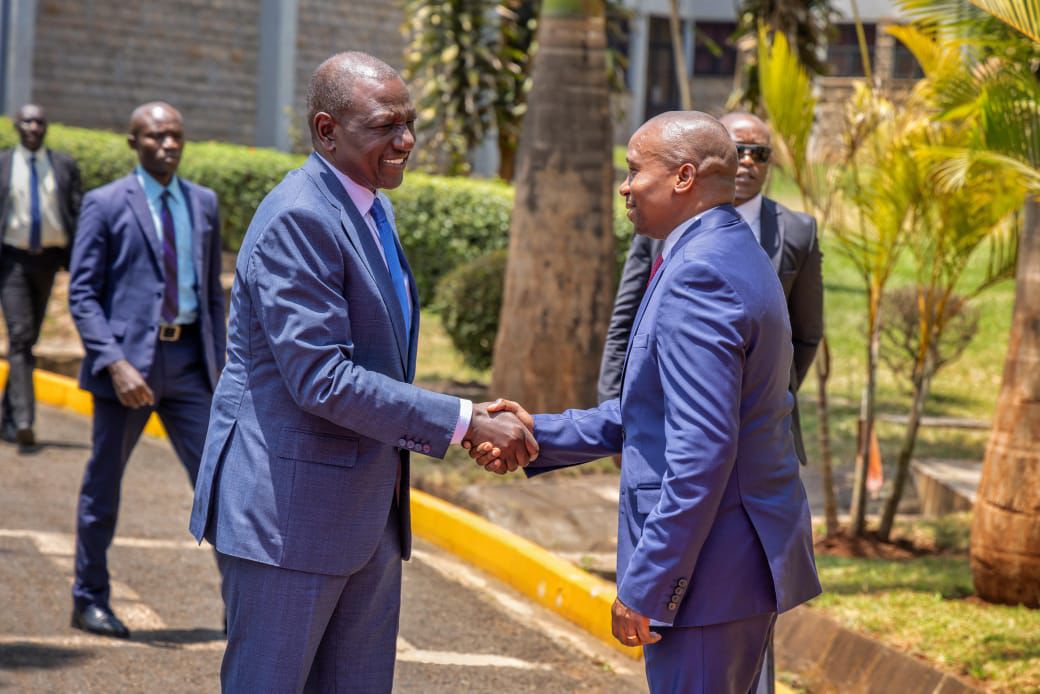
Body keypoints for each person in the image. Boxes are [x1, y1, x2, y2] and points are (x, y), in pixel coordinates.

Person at [188, 52, 535, 693]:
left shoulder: (371, 206)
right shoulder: (301, 217)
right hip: (289, 520)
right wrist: (464, 421)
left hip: (365, 515)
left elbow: (378, 360)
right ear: (327, 131)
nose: (404, 140)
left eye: (409, 122)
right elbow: (322, 377)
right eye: (384, 125)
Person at [471, 112, 821, 693]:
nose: (625, 185)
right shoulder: (722, 247)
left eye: (635, 171)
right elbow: (649, 412)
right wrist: (539, 433)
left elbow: (701, 453)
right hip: (730, 564)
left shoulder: (699, 273)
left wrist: (646, 585)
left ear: (684, 177)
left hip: (710, 572)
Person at [67, 102, 226, 639]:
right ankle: (88, 598)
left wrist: (224, 368)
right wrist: (113, 362)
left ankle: (245, 606)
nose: (169, 145)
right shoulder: (105, 203)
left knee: (223, 485)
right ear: (133, 142)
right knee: (103, 487)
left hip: (190, 367)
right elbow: (83, 294)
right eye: (156, 136)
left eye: (176, 136)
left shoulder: (203, 204)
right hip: (128, 371)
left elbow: (212, 298)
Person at [598, 111, 823, 466]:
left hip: (760, 439)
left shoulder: (798, 232)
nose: (748, 161)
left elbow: (805, 334)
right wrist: (615, 417)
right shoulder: (660, 225)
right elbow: (626, 324)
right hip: (666, 425)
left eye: (759, 154)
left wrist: (765, 389)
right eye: (739, 150)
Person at [0, 104, 82, 451]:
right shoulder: (3, 164)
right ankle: (24, 421)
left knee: (27, 340)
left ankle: (7, 416)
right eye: (27, 121)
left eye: (40, 122)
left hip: (48, 261)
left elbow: (76, 211)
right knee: (20, 335)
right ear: (17, 125)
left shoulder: (64, 166)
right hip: (12, 261)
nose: (33, 127)